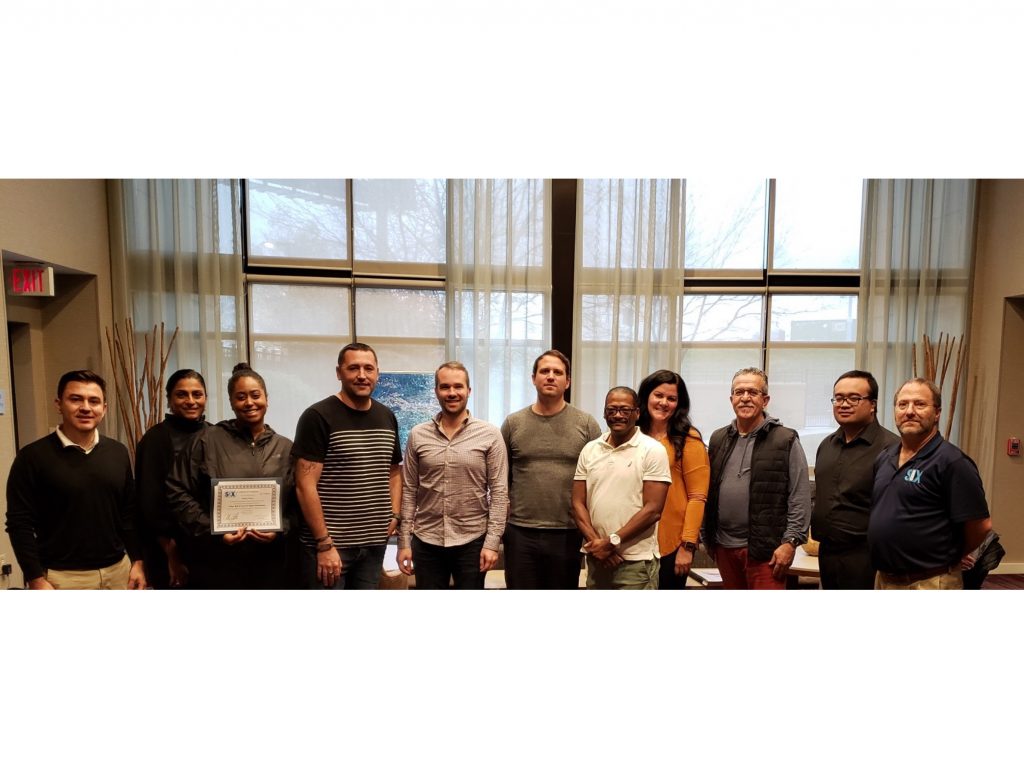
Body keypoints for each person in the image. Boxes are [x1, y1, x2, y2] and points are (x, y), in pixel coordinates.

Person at [5, 370, 146, 589]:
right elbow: (19, 523)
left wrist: (137, 561)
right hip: (62, 578)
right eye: (76, 399)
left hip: (119, 571)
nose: (86, 407)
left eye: (94, 401)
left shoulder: (118, 452)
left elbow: (128, 513)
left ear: (104, 409)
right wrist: (35, 578)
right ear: (59, 404)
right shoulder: (32, 457)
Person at [168, 363, 296, 589]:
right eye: (241, 397)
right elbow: (177, 491)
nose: (249, 403)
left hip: (272, 563)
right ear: (231, 402)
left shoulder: (286, 448)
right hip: (217, 563)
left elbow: (298, 501)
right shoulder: (206, 441)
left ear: (266, 398)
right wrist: (213, 529)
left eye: (255, 395)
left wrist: (281, 528)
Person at [292, 343, 402, 589]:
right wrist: (324, 543)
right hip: (331, 547)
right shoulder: (317, 416)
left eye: (368, 368)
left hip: (373, 545)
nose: (362, 375)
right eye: (353, 368)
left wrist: (395, 514)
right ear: (338, 372)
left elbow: (394, 472)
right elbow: (304, 485)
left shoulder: (386, 416)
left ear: (377, 373)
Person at [868, 378, 992, 590]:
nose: (909, 411)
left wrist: (951, 554)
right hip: (884, 579)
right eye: (902, 404)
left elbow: (981, 526)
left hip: (930, 581)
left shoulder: (952, 462)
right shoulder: (885, 457)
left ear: (937, 413)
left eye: (920, 404)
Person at [397, 362, 508, 589]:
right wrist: (404, 541)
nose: (451, 393)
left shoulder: (490, 434)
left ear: (468, 390)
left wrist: (492, 543)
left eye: (458, 386)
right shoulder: (418, 435)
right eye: (445, 387)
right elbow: (409, 490)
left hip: (473, 541)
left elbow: (499, 493)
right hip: (426, 541)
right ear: (436, 391)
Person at [701, 367, 811, 590]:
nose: (745, 398)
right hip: (723, 547)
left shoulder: (785, 439)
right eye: (739, 392)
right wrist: (706, 536)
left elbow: (799, 496)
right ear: (731, 399)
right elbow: (707, 490)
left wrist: (790, 543)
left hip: (767, 551)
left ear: (765, 400)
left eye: (752, 392)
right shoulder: (718, 438)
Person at [500, 350, 601, 589]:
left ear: (568, 381)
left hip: (568, 531)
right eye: (544, 371)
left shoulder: (586, 424)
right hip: (520, 531)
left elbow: (598, 478)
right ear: (533, 378)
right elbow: (501, 475)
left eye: (558, 372)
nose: (551, 376)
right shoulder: (513, 423)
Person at [572, 386, 671, 589]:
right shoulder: (590, 449)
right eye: (612, 410)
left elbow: (653, 510)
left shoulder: (653, 450)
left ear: (637, 413)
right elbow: (577, 503)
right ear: (604, 413)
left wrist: (611, 542)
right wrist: (599, 546)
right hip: (597, 559)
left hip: (635, 563)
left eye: (625, 410)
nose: (618, 415)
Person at [811, 370, 899, 589]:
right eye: (838, 398)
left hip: (867, 556)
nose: (844, 404)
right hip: (828, 551)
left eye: (854, 398)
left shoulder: (892, 449)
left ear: (872, 405)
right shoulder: (827, 445)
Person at [134, 368, 208, 588]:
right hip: (168, 551)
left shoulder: (215, 434)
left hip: (207, 547)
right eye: (181, 394)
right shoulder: (155, 439)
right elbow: (149, 505)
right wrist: (172, 554)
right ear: (169, 400)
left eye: (197, 394)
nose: (191, 401)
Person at [637, 370, 710, 590]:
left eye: (671, 398)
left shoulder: (688, 438)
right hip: (632, 542)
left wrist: (687, 547)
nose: (663, 403)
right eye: (658, 395)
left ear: (679, 404)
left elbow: (698, 497)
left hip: (671, 545)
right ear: (646, 396)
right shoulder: (632, 434)